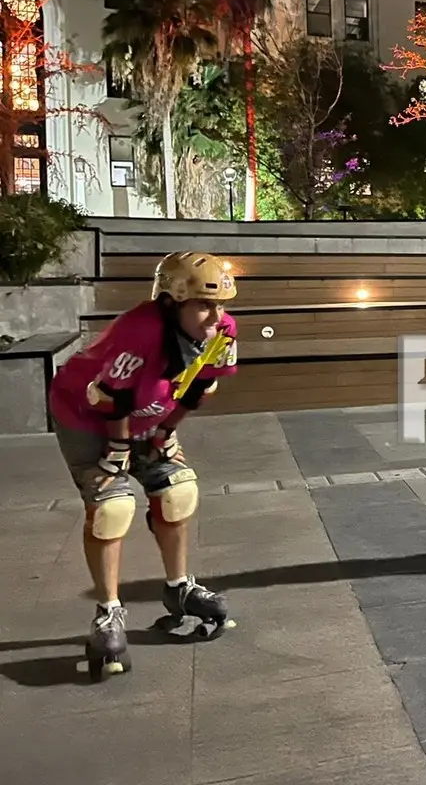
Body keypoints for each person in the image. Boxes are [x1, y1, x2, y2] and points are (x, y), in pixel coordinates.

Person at [48, 251, 240, 681]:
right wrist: (118, 448)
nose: (216, 315)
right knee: (112, 505)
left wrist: (166, 432)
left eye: (220, 304)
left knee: (177, 491)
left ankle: (179, 589)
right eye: (204, 305)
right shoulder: (141, 329)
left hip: (146, 412)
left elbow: (200, 389)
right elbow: (111, 395)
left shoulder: (222, 330)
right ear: (172, 302)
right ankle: (108, 611)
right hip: (85, 413)